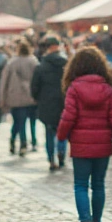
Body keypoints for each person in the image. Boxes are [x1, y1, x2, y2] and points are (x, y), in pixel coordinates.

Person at [57, 47, 112, 222]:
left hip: (80, 146)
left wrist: (61, 136)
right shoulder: (107, 88)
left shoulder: (74, 88)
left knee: (80, 185)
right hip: (103, 145)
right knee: (99, 185)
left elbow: (68, 117)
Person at [31, 36, 69, 171]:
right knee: (62, 131)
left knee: (49, 132)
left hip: (46, 103)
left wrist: (37, 98)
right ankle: (61, 153)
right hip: (63, 102)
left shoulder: (41, 66)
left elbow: (34, 87)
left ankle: (51, 158)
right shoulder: (66, 64)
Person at [0, 40, 38, 156]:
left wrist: (2, 98)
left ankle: (19, 142)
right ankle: (23, 144)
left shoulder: (12, 63)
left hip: (14, 97)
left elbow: (4, 82)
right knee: (24, 122)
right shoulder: (34, 62)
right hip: (30, 97)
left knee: (18, 122)